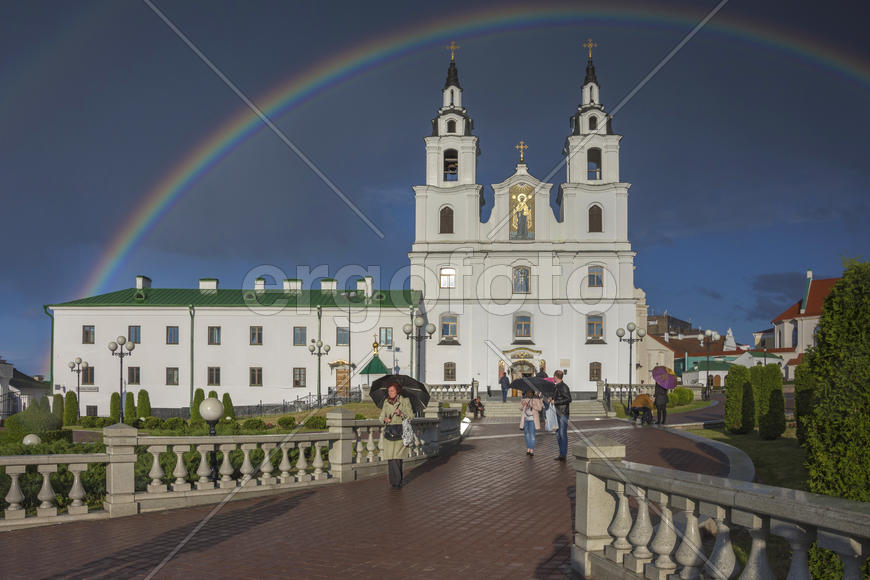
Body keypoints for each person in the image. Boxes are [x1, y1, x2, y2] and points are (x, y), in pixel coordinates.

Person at [379, 382, 413, 489]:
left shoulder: (404, 401)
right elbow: (380, 417)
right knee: (390, 458)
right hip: (389, 431)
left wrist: (402, 413)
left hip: (400, 431)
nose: (390, 393)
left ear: (397, 391)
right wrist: (385, 419)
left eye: (392, 391)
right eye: (389, 391)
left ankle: (398, 482)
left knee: (397, 458)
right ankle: (392, 482)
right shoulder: (386, 402)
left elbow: (411, 416)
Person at [550, 370, 571, 461]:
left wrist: (556, 401)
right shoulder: (557, 386)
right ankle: (561, 453)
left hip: (563, 413)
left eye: (554, 376)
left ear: (556, 376)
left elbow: (569, 399)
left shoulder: (564, 386)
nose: (553, 378)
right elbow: (557, 397)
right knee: (558, 434)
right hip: (557, 413)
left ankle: (563, 454)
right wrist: (551, 398)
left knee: (562, 433)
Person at [519, 391, 543, 455]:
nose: (528, 393)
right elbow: (520, 408)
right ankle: (528, 448)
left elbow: (540, 408)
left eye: (529, 392)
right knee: (526, 434)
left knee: (532, 435)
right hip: (525, 419)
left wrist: (531, 405)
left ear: (532, 392)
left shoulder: (536, 398)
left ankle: (531, 449)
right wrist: (523, 405)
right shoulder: (524, 398)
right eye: (527, 392)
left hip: (533, 419)